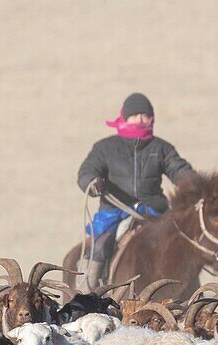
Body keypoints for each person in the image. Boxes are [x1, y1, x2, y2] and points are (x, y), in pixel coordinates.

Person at [76, 93, 195, 289]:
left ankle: (188, 291)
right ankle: (86, 297)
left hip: (154, 212)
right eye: (135, 115)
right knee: (99, 246)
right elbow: (86, 171)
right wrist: (93, 182)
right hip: (114, 211)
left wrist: (194, 185)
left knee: (181, 244)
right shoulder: (105, 148)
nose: (140, 119)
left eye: (145, 115)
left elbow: (179, 170)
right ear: (125, 117)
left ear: (152, 118)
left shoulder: (162, 148)